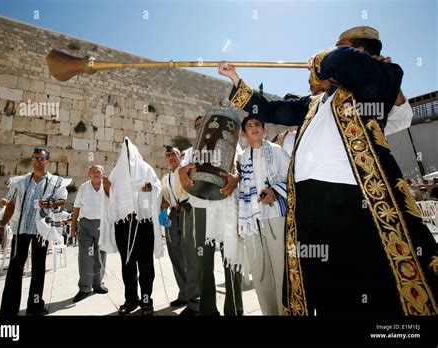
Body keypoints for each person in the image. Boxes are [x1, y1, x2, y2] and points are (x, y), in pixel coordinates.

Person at [218, 26, 437, 316]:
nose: (333, 53)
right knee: (322, 279)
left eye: (340, 46)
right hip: (308, 201)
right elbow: (272, 110)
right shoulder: (312, 103)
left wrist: (325, 57)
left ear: (360, 50)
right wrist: (235, 78)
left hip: (351, 195)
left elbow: (344, 63)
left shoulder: (379, 78)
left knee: (360, 276)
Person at [179, 116, 244, 316]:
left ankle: (234, 309)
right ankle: (207, 309)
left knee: (231, 259)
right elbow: (181, 178)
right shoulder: (190, 153)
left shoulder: (235, 149)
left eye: (203, 125)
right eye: (198, 126)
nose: (201, 128)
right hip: (202, 209)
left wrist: (237, 178)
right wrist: (181, 172)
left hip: (227, 209)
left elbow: (245, 172)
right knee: (203, 263)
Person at [0, 147, 68, 316]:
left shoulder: (55, 182)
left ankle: (35, 306)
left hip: (40, 232)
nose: (37, 161)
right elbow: (11, 203)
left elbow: (63, 200)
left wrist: (50, 204)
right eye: (35, 158)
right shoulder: (21, 181)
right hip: (21, 229)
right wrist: (2, 224)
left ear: (47, 161)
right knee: (15, 268)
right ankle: (8, 310)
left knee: (38, 269)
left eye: (41, 158)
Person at [99, 137, 163, 316]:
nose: (127, 156)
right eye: (124, 152)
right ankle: (130, 299)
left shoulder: (145, 169)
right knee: (127, 264)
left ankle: (146, 300)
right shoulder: (116, 173)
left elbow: (157, 187)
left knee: (145, 265)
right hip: (124, 226)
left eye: (130, 152)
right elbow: (110, 197)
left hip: (143, 224)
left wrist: (150, 188)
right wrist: (107, 189)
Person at [239, 115, 290, 315]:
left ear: (264, 130)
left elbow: (292, 178)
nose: (254, 128)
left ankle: (285, 311)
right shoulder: (243, 157)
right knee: (260, 274)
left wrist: (275, 191)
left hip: (275, 218)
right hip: (253, 222)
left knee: (281, 270)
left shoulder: (277, 152)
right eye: (249, 126)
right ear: (244, 134)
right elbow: (242, 190)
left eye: (257, 125)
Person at [161, 146, 200, 315]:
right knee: (174, 253)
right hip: (173, 215)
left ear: (180, 156)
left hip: (188, 210)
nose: (171, 157)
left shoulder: (187, 170)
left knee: (189, 254)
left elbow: (195, 189)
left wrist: (187, 204)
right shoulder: (165, 178)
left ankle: (195, 301)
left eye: (174, 154)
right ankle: (184, 293)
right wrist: (163, 210)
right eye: (168, 155)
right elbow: (165, 198)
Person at [71, 165, 108, 303]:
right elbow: (77, 207)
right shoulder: (83, 187)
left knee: (101, 254)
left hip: (102, 224)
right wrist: (73, 225)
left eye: (98, 171)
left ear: (103, 173)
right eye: (93, 171)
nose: (96, 173)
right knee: (85, 255)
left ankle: (98, 283)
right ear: (89, 174)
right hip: (85, 224)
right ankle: (85, 288)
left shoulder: (107, 186)